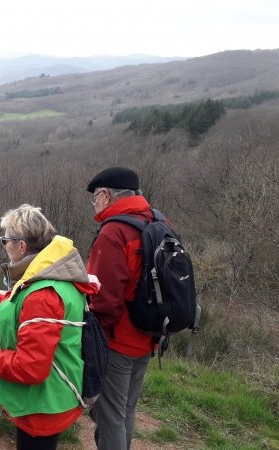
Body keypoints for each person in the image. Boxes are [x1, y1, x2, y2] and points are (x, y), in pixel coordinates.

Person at [0, 204, 100, 450]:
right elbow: (26, 307)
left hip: (43, 404)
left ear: (21, 246)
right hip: (49, 396)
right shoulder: (53, 272)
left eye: (5, 240)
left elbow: (31, 368)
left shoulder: (44, 293)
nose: (4, 246)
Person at [86, 167, 155, 450]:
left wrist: (94, 340)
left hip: (119, 340)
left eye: (95, 198)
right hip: (149, 335)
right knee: (126, 409)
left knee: (109, 414)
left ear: (105, 194)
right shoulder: (154, 221)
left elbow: (105, 298)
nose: (96, 204)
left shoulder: (114, 231)